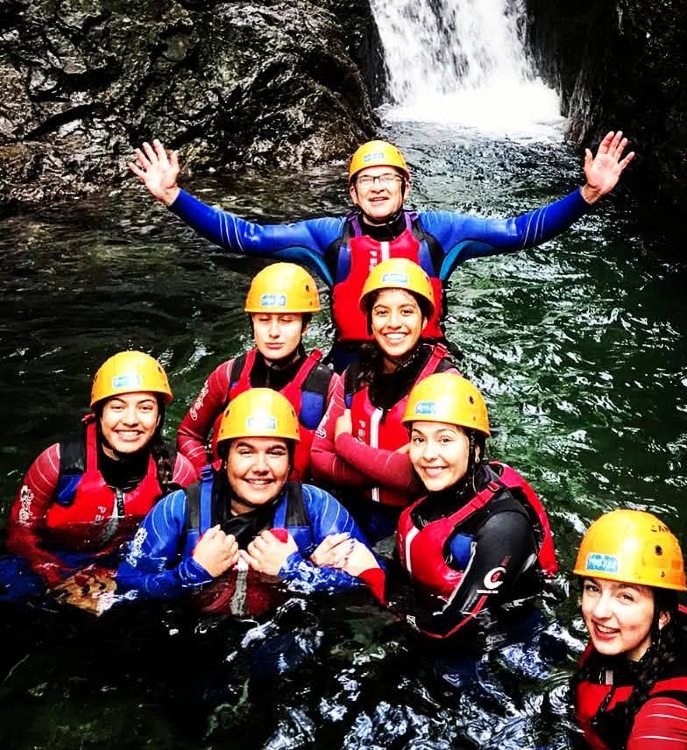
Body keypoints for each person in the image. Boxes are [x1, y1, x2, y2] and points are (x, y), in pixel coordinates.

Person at [129, 133, 635, 371]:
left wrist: (586, 195)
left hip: (428, 360)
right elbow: (246, 236)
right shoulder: (327, 237)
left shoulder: (440, 233)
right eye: (365, 181)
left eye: (386, 179)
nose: (376, 189)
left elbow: (522, 230)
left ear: (404, 187)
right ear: (352, 193)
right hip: (352, 363)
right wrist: (175, 197)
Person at [316, 372, 558, 641]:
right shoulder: (433, 492)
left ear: (475, 446)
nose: (429, 454)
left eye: (445, 439)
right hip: (432, 614)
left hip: (501, 640)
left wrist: (372, 576)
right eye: (419, 439)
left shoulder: (503, 527)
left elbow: (448, 629)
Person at [116, 388, 374, 616]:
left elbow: (373, 587)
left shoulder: (317, 507)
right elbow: (127, 588)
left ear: (290, 462)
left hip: (283, 633)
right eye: (246, 451)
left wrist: (297, 570)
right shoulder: (178, 509)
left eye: (275, 453)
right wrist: (192, 572)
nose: (260, 467)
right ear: (225, 457)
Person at [4, 350, 197, 609]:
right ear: (99, 413)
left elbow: (183, 546)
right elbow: (21, 532)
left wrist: (118, 578)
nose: (130, 420)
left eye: (145, 408)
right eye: (117, 407)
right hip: (54, 561)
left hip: (126, 568)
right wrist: (57, 578)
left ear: (159, 417)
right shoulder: (56, 463)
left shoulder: (178, 473)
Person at [572, 509, 687, 749]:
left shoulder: (663, 725)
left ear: (662, 615)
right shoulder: (680, 632)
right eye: (593, 588)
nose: (599, 611)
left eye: (625, 596)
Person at [310, 258, 458, 542]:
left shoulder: (444, 381)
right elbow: (318, 457)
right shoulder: (352, 375)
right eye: (381, 312)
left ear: (424, 319)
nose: (393, 323)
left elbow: (415, 478)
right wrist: (387, 467)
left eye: (406, 312)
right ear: (370, 320)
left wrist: (345, 445)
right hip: (354, 511)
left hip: (419, 518)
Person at [177, 261, 336, 481]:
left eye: (286, 321)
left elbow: (336, 461)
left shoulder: (328, 386)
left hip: (295, 501)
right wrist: (208, 478)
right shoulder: (227, 374)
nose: (273, 332)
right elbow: (188, 434)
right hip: (232, 495)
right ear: (252, 323)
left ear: (306, 325)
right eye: (263, 320)